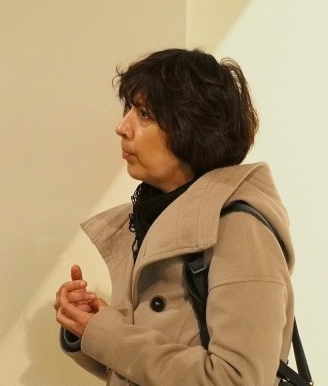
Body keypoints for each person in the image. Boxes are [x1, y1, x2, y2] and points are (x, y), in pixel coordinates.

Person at [54, 48, 295, 385]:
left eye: (144, 114)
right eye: (129, 109)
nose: (122, 127)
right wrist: (89, 328)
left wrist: (109, 335)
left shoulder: (237, 228)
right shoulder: (152, 218)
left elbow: (236, 379)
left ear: (193, 128)